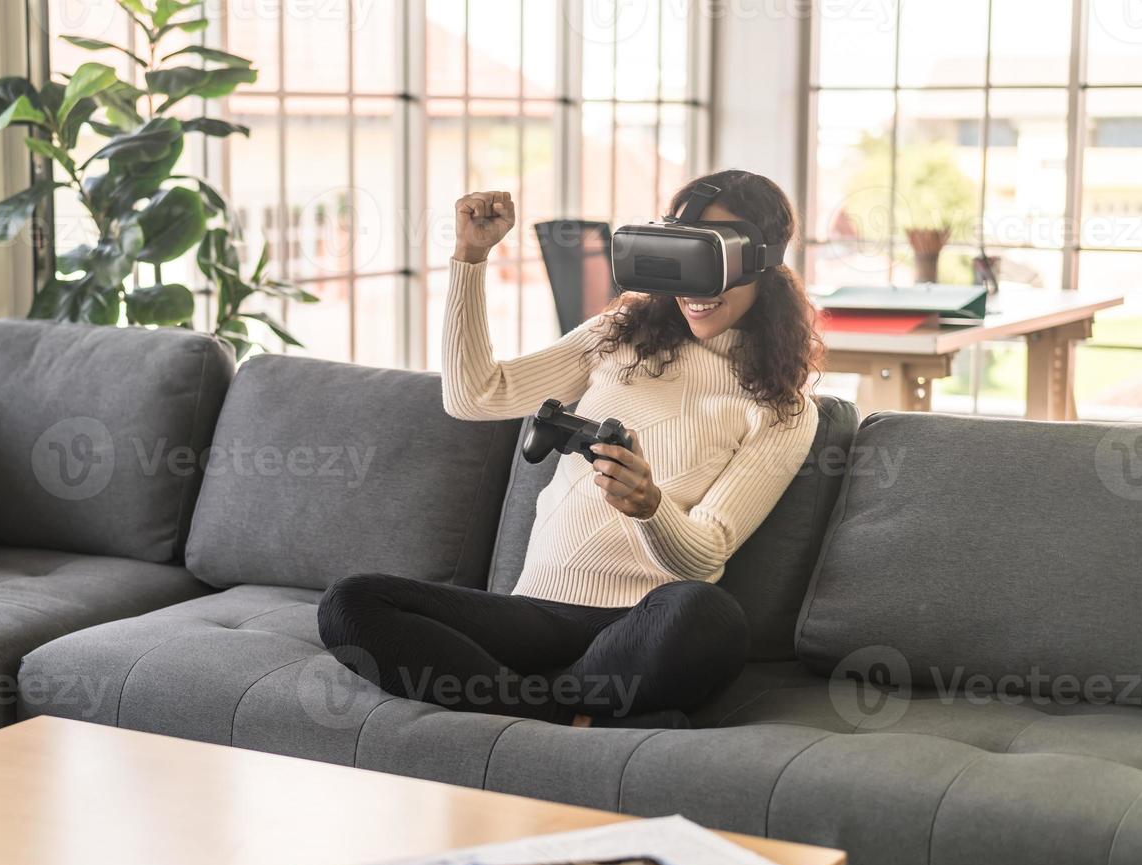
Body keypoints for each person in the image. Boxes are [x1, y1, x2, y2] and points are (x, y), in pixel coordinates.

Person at [317, 170, 823, 728]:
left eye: (711, 258)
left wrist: (650, 506)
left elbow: (706, 555)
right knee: (351, 603)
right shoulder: (618, 336)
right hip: (532, 617)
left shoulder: (782, 408)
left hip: (641, 629)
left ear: (762, 261)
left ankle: (526, 700)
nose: (694, 288)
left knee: (709, 614)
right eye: (680, 252)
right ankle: (558, 710)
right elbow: (474, 396)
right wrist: (470, 259)